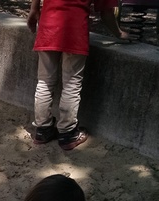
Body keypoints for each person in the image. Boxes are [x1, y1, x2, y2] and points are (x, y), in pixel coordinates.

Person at [27, 0, 131, 150]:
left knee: (45, 81)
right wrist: (119, 33)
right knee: (71, 84)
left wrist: (34, 9)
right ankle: (68, 133)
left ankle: (43, 130)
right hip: (74, 31)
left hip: (48, 26)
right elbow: (106, 12)